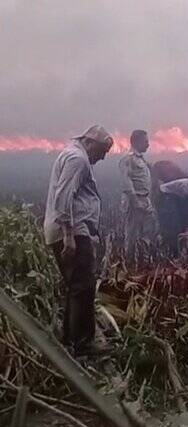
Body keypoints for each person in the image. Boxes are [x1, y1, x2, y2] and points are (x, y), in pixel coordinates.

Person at [43, 125, 114, 355]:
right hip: (73, 232)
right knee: (83, 287)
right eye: (102, 151)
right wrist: (70, 237)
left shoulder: (73, 154)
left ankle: (70, 340)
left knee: (77, 287)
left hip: (72, 231)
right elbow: (64, 196)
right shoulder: (77, 159)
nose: (102, 157)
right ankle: (84, 343)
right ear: (91, 142)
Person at [119, 130, 156, 265]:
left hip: (145, 200)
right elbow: (127, 182)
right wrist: (135, 201)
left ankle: (143, 261)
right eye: (145, 142)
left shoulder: (142, 160)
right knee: (132, 235)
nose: (148, 144)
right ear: (137, 142)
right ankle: (129, 264)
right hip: (135, 201)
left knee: (148, 231)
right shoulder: (128, 159)